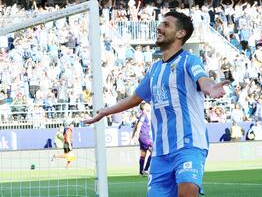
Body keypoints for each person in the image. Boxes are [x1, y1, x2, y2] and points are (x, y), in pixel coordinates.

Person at [84, 11, 229, 197]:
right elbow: (134, 99)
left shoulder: (189, 61)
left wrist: (211, 88)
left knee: (187, 192)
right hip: (160, 152)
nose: (159, 27)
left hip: (189, 144)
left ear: (180, 33)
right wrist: (105, 111)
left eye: (166, 25)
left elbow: (203, 80)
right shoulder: (154, 69)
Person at [131, 102, 152, 176]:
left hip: (142, 137)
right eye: (147, 105)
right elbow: (139, 125)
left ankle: (141, 172)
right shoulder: (143, 115)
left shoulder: (142, 115)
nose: (149, 106)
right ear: (144, 107)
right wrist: (136, 135)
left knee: (143, 154)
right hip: (145, 136)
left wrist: (134, 136)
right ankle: (145, 170)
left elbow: (137, 125)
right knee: (153, 152)